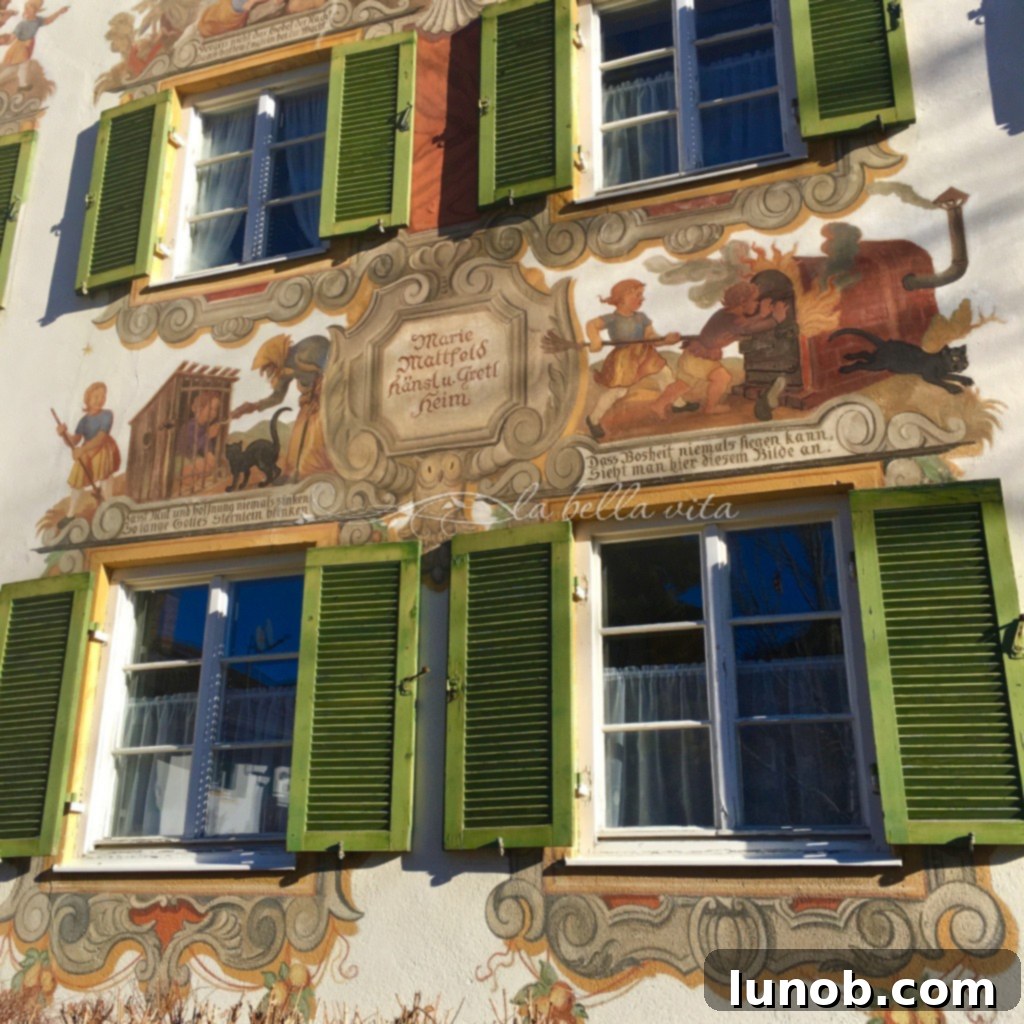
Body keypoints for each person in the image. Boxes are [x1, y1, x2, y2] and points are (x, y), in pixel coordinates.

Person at [651, 280, 784, 418]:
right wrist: (774, 320)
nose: (757, 304)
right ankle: (710, 407)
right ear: (743, 301)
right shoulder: (732, 319)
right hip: (700, 357)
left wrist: (761, 316)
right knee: (722, 377)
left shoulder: (727, 314)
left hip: (693, 355)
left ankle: (659, 404)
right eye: (755, 300)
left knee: (683, 384)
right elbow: (747, 328)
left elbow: (745, 325)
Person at [581, 279, 680, 439]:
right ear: (622, 297)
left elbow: (650, 337)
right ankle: (593, 419)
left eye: (642, 295)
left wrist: (664, 340)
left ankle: (677, 403)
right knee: (618, 391)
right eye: (637, 295)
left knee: (664, 373)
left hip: (644, 354)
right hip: (624, 359)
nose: (642, 299)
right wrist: (595, 340)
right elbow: (591, 325)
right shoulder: (612, 318)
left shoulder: (641, 317)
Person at [231, 333, 332, 478]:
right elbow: (277, 397)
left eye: (268, 367)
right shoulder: (284, 370)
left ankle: (311, 474)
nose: (268, 372)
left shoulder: (301, 355)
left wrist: (320, 395)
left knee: (314, 441)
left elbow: (327, 370)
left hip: (325, 400)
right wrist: (252, 407)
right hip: (310, 403)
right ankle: (292, 474)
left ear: (275, 357)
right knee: (297, 438)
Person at [56, 382, 121, 515]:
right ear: (88, 399)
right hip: (87, 451)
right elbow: (74, 440)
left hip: (103, 449)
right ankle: (71, 514)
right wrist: (64, 434)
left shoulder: (107, 414)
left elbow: (101, 438)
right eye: (96, 397)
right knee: (78, 473)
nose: (100, 400)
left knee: (104, 474)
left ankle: (108, 508)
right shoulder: (84, 421)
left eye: (103, 396)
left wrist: (82, 450)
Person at [0, 0, 69, 93]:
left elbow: (48, 20)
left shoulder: (37, 21)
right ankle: (15, 82)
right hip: (19, 47)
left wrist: (59, 12)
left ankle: (22, 85)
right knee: (17, 65)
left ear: (36, 10)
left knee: (22, 66)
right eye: (26, 7)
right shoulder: (22, 24)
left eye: (29, 8)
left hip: (28, 46)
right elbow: (11, 38)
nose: (26, 10)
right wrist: (4, 40)